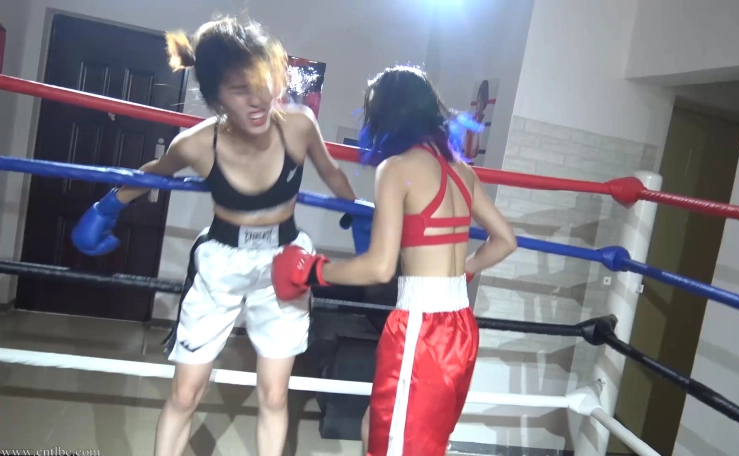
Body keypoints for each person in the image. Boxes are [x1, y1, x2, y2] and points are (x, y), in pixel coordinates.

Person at [70, 17, 358, 456]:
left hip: (286, 263)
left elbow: (332, 171)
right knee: (185, 393)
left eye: (263, 82)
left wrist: (358, 213)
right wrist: (106, 207)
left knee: (275, 395)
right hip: (221, 263)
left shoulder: (298, 124)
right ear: (216, 96)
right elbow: (155, 174)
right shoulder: (196, 143)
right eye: (240, 90)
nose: (258, 99)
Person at [270, 66, 518, 456]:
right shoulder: (463, 171)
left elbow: (380, 267)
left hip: (422, 330)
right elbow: (505, 241)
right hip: (461, 326)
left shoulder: (397, 168)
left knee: (395, 445)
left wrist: (312, 270)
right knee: (382, 429)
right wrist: (463, 270)